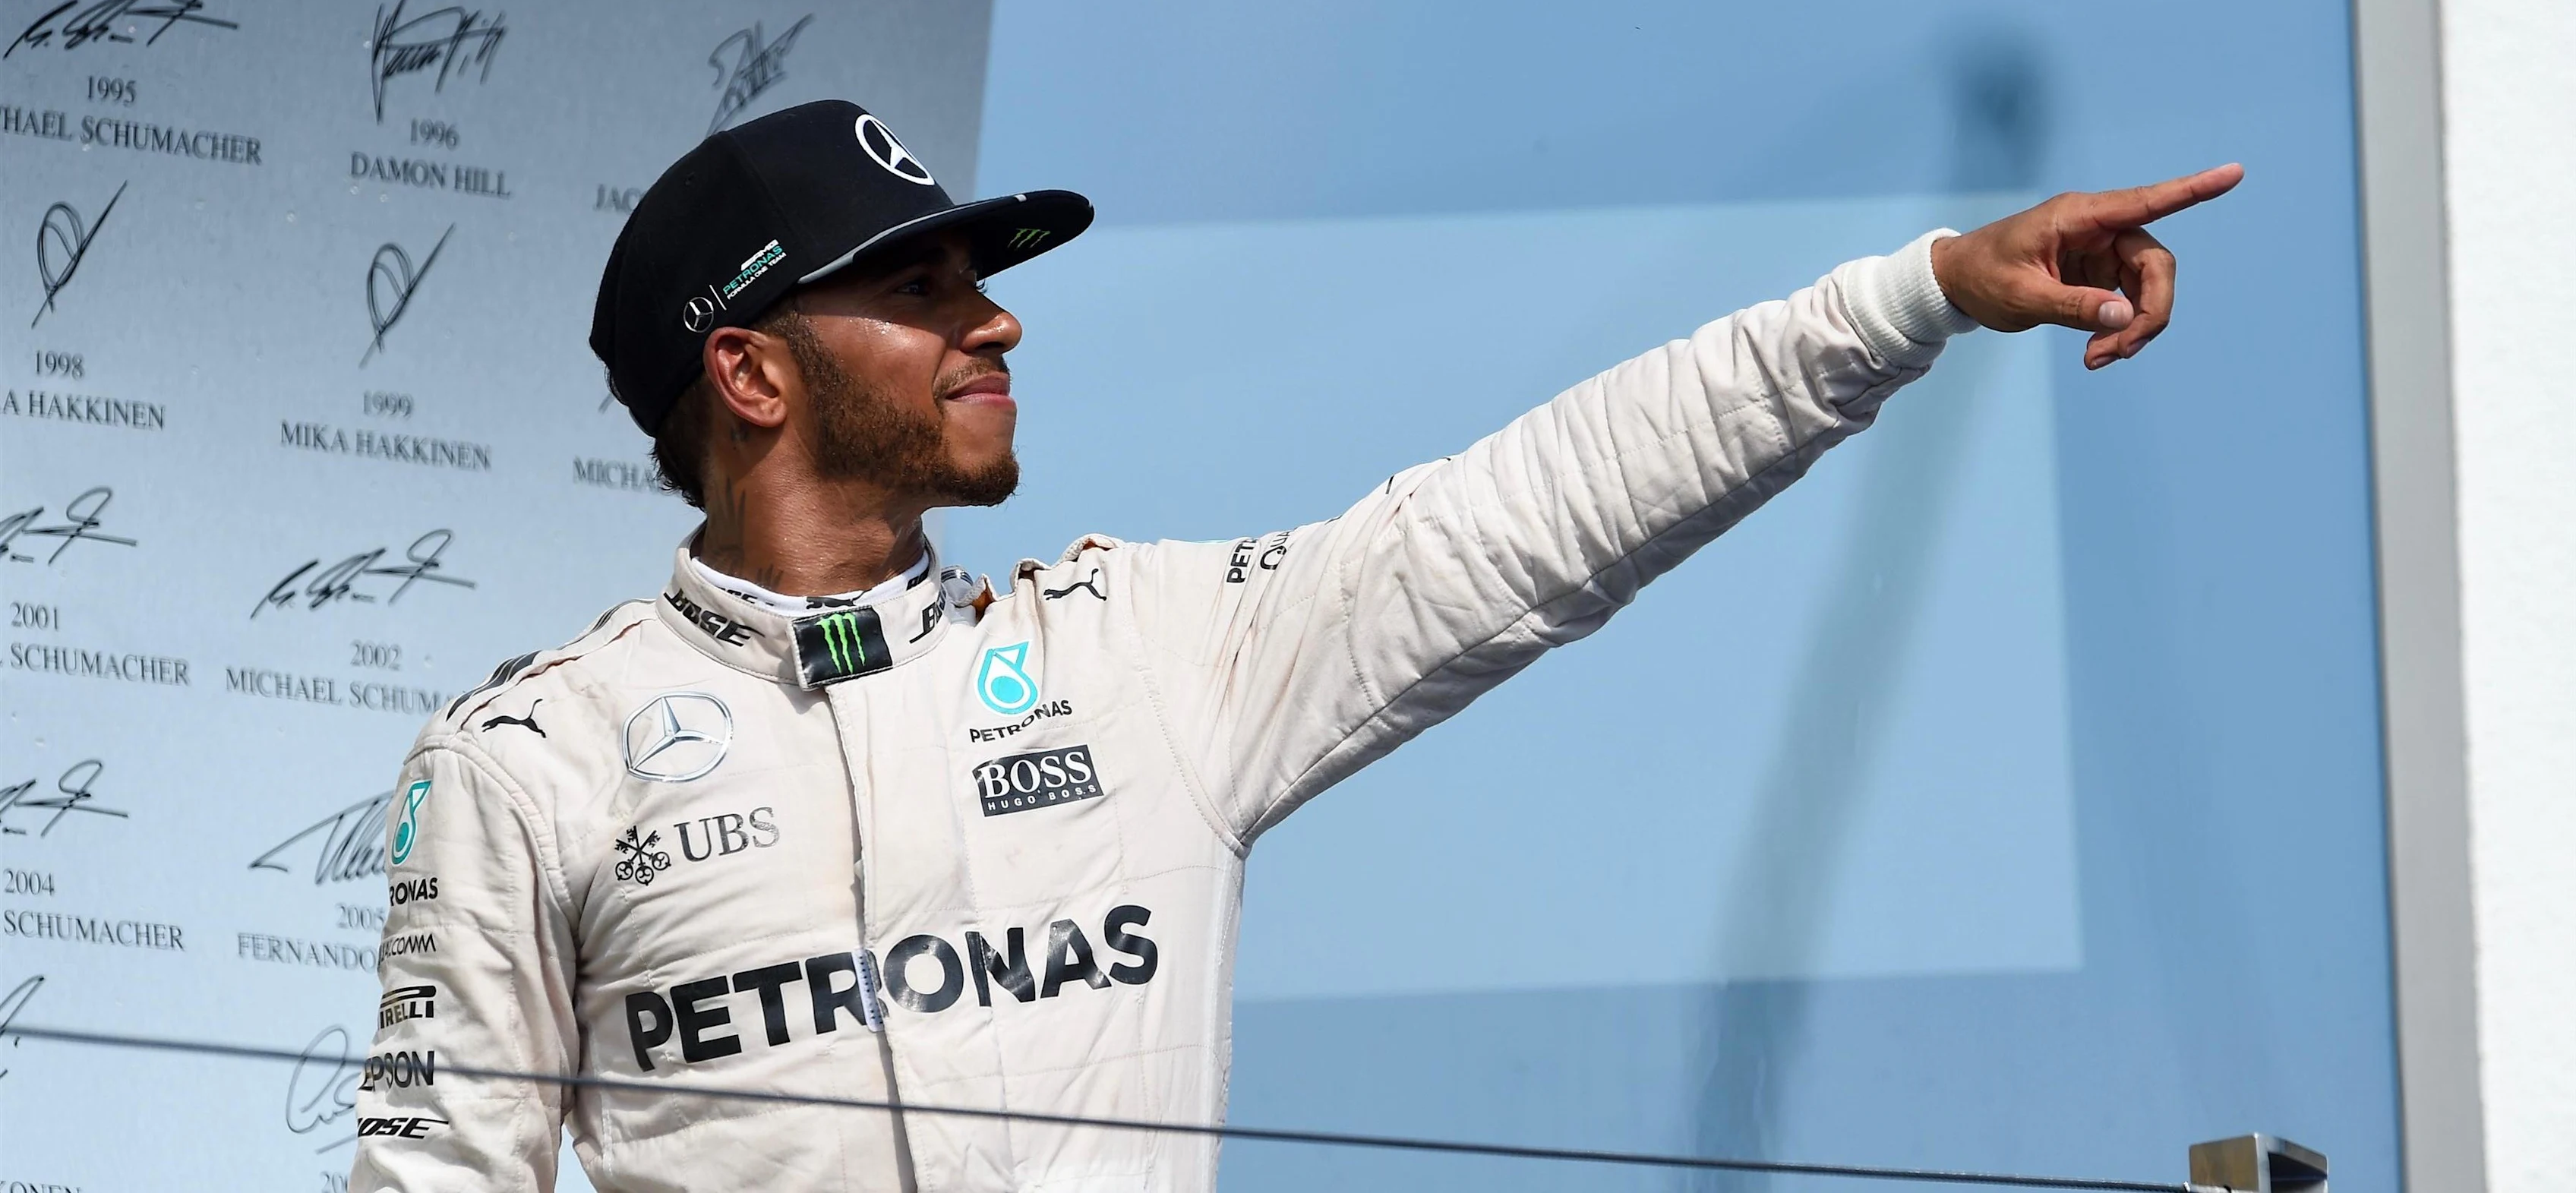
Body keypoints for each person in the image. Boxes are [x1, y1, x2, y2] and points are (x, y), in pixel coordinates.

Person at [350, 98, 2237, 1192]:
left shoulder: (1149, 660)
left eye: (985, 282)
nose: (994, 324)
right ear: (749, 370)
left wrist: (1904, 299)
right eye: (921, 290)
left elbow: (1537, 509)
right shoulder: (529, 759)